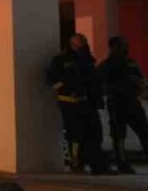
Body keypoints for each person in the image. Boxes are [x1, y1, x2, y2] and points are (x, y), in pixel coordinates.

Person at [47, 33, 107, 174]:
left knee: (94, 134)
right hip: (70, 103)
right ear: (72, 45)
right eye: (82, 43)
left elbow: (93, 81)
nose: (85, 46)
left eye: (85, 43)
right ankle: (76, 164)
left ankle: (97, 166)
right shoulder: (61, 60)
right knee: (75, 136)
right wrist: (68, 88)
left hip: (88, 103)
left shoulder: (87, 61)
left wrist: (96, 97)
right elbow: (52, 81)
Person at [100, 36, 148, 175]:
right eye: (122, 45)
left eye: (126, 45)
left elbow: (140, 79)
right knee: (119, 136)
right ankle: (123, 164)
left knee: (144, 132)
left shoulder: (131, 63)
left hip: (133, 102)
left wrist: (141, 87)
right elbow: (100, 83)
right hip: (116, 103)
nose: (126, 47)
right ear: (114, 47)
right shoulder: (107, 65)